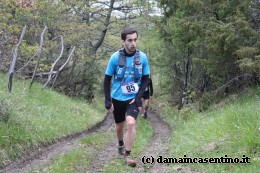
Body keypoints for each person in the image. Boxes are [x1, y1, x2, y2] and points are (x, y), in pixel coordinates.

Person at [103, 27, 150, 167]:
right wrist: (107, 100)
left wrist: (138, 98)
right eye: (129, 40)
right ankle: (120, 143)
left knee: (130, 123)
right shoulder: (115, 57)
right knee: (119, 126)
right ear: (123, 41)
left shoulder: (142, 57)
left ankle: (128, 155)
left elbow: (146, 79)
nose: (133, 43)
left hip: (133, 98)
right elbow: (107, 79)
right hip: (117, 97)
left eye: (135, 40)